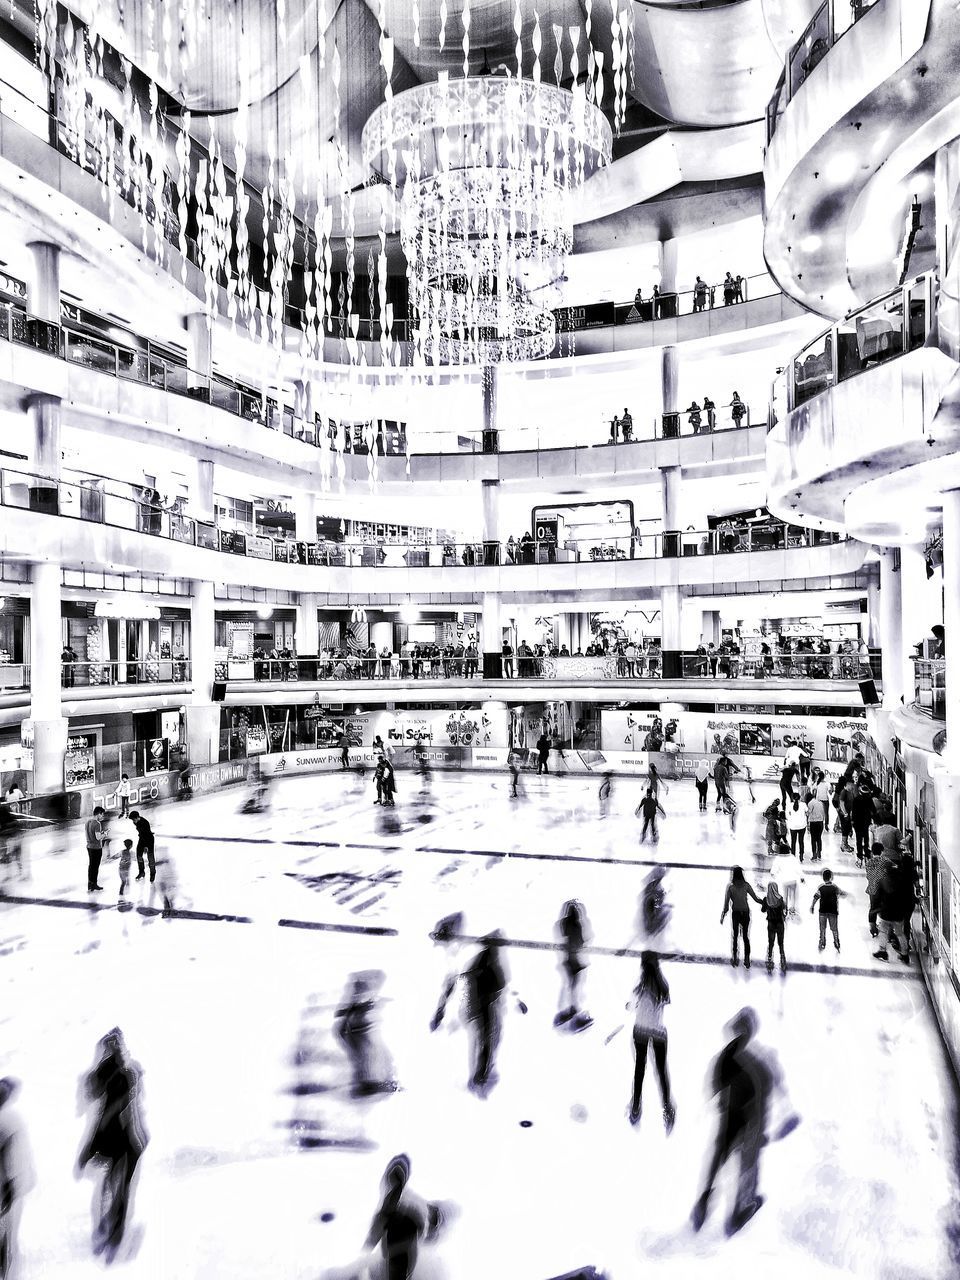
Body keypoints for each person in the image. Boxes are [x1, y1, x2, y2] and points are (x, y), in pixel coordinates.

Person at [691, 1008, 797, 1236]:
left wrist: (720, 1099)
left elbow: (716, 1085)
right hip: (749, 1120)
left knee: (720, 1157)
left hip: (732, 1116)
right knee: (747, 1166)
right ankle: (736, 1212)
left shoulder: (727, 1055)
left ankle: (704, 1204)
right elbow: (770, 1087)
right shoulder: (757, 1058)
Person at [76, 1029, 148, 1261]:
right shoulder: (125, 1073)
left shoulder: (121, 1075)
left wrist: (88, 1151)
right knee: (118, 1188)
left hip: (121, 1141)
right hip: (126, 1141)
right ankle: (112, 1233)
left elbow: (100, 1105)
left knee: (114, 1187)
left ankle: (111, 1233)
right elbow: (100, 1102)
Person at [462, 932, 526, 1094]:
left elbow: (500, 983)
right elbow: (500, 984)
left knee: (485, 1041)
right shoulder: (489, 962)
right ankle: (480, 1073)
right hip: (485, 1007)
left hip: (482, 1007)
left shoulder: (482, 961)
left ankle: (480, 1073)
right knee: (487, 1041)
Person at [364, 1154, 440, 1280]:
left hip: (398, 1252)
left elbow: (381, 1222)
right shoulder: (395, 1199)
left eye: (394, 1175)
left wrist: (369, 1245)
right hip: (399, 1253)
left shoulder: (397, 1201)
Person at [627, 952, 676, 1131]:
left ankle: (635, 1107)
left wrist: (633, 1005)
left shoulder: (640, 987)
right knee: (661, 1071)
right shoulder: (663, 985)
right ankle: (667, 1109)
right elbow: (665, 1002)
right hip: (658, 1032)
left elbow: (630, 1005)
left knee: (640, 1069)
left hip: (640, 1031)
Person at [0, 1076, 33, 1280]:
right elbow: (16, 1160)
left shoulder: (9, 1122)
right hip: (7, 1191)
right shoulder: (12, 1122)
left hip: (6, 1189)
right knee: (8, 1237)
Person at [555, 901, 591, 1030]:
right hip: (576, 961)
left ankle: (572, 1010)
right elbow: (582, 941)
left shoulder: (564, 924)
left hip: (569, 960)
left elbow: (565, 937)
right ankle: (573, 1011)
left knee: (572, 987)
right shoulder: (577, 924)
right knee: (574, 987)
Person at [720, 866, 762, 968]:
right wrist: (764, 902)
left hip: (736, 913)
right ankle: (747, 959)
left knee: (735, 936)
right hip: (746, 913)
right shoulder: (746, 885)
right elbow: (756, 898)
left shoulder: (730, 886)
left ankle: (735, 958)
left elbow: (726, 904)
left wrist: (723, 915)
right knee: (745, 937)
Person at [810, 868, 845, 953]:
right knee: (834, 928)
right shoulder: (835, 887)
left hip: (822, 911)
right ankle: (836, 942)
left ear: (823, 878)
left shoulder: (821, 888)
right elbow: (841, 893)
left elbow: (815, 897)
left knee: (822, 928)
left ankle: (822, 941)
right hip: (833, 911)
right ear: (831, 877)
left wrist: (812, 906)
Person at [761, 882, 787, 972]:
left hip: (771, 924)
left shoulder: (766, 899)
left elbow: (763, 910)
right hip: (780, 924)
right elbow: (784, 911)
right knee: (781, 943)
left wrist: (763, 903)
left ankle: (769, 957)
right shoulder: (780, 900)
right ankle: (782, 957)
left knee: (771, 942)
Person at [851, 782, 875, 865]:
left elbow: (853, 812)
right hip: (866, 823)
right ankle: (867, 857)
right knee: (866, 840)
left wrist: (853, 821)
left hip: (857, 823)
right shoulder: (869, 799)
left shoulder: (856, 799)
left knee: (858, 840)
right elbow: (874, 811)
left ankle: (859, 858)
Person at [128, 811, 155, 882]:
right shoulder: (136, 822)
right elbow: (141, 833)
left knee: (150, 857)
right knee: (139, 855)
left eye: (134, 819)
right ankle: (141, 872)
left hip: (149, 840)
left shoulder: (145, 823)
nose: (133, 821)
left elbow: (146, 834)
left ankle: (152, 873)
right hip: (142, 839)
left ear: (137, 817)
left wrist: (146, 847)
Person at [85, 805, 107, 892]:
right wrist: (105, 834)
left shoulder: (88, 822)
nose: (102, 816)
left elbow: (90, 834)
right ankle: (94, 884)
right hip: (96, 848)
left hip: (89, 847)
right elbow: (98, 837)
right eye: (102, 815)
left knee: (91, 866)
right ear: (98, 814)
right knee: (95, 867)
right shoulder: (97, 824)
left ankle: (90, 884)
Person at [806, 790, 826, 861]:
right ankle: (819, 853)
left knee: (813, 839)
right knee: (819, 838)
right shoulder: (820, 803)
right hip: (820, 822)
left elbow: (808, 813)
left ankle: (814, 854)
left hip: (813, 822)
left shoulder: (810, 803)